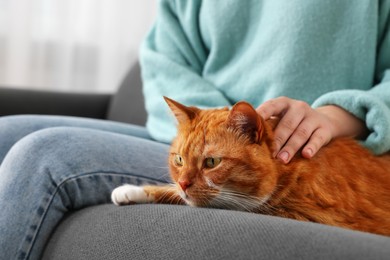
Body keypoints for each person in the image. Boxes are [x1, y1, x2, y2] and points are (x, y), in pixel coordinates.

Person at [0, 0, 389, 259]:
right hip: (201, 132)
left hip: (298, 144)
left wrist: (340, 113)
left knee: (45, 157)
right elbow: (165, 59)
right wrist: (208, 124)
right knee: (6, 135)